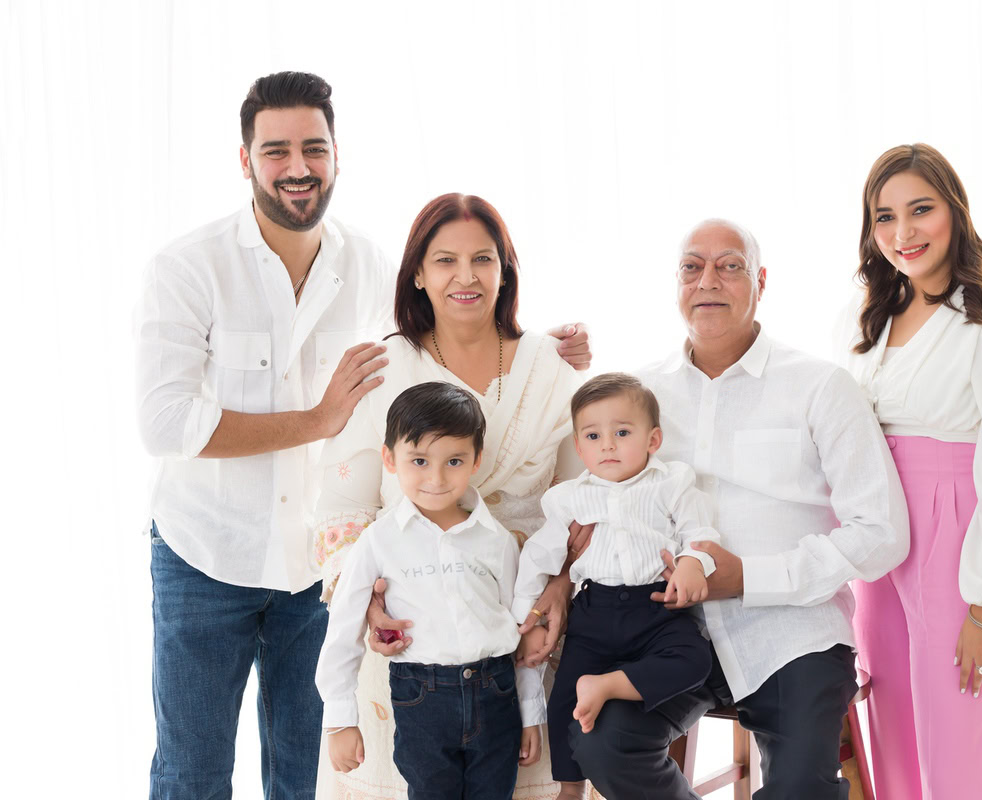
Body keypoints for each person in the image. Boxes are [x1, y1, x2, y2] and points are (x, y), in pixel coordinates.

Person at [135, 73, 589, 800]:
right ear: (244, 158)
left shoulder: (368, 266)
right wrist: (317, 421)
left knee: (307, 772)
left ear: (337, 156)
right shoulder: (189, 268)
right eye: (276, 149)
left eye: (313, 148)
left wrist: (555, 352)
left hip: (314, 573)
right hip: (207, 554)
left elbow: (451, 321)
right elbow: (165, 424)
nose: (297, 167)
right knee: (192, 771)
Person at [526, 219, 910, 800]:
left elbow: (881, 533)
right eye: (692, 267)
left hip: (791, 631)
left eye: (729, 266)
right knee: (601, 744)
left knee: (802, 788)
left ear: (759, 281)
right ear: (676, 282)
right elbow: (585, 511)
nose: (708, 280)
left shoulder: (819, 386)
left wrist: (749, 578)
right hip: (663, 635)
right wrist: (557, 581)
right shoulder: (635, 395)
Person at [312, 193, 591, 799]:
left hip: (524, 634)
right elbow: (340, 515)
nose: (465, 277)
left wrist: (557, 591)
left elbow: (588, 507)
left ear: (505, 268)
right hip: (405, 646)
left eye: (482, 259)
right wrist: (367, 604)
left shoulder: (552, 370)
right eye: (444, 260)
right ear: (416, 272)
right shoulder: (380, 370)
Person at [839, 143, 982, 800]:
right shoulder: (870, 315)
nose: (902, 233)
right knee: (892, 736)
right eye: (884, 217)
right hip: (879, 542)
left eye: (920, 210)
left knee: (956, 746)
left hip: (955, 537)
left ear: (954, 211)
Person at [316, 381, 544, 799]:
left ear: (476, 460)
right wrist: (340, 720)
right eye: (419, 460)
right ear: (390, 458)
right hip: (422, 697)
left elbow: (523, 632)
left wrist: (530, 713)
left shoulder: (496, 541)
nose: (436, 479)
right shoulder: (378, 541)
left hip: (497, 693)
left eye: (453, 460)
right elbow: (343, 629)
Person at [513, 373, 719, 800]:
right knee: (563, 697)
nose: (607, 444)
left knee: (694, 659)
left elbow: (699, 531)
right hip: (595, 612)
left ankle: (610, 684)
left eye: (622, 432)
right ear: (579, 445)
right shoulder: (569, 499)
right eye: (593, 435)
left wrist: (693, 562)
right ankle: (570, 788)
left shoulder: (671, 483)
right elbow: (539, 557)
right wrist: (527, 616)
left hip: (657, 608)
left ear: (653, 439)